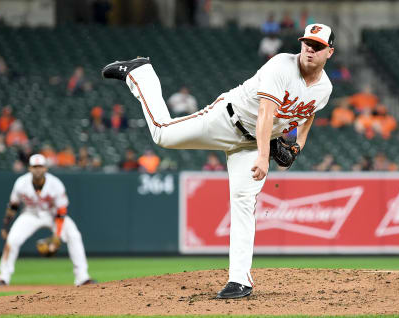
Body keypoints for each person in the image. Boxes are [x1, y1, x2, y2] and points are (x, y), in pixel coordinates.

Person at [102, 23, 335, 299]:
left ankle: (240, 280)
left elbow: (308, 114)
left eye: (318, 46)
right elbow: (265, 113)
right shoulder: (282, 66)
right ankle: (141, 74)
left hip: (252, 144)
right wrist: (264, 156)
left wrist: (298, 146)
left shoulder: (325, 88)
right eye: (307, 42)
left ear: (329, 52)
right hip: (227, 119)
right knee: (163, 135)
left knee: (244, 202)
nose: (310, 48)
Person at [0, 154, 96, 286]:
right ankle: (3, 277)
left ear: (46, 168)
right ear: (29, 168)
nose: (38, 169)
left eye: (40, 166)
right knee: (12, 240)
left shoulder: (55, 184)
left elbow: (61, 212)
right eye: (35, 166)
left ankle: (82, 277)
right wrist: (5, 225)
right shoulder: (21, 183)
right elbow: (13, 205)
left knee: (74, 235)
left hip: (52, 214)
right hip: (29, 214)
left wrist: (57, 235)